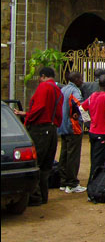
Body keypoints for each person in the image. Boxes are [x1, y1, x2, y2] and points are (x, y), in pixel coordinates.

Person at [13, 67, 62, 206]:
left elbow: (39, 107)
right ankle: (43, 196)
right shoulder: (58, 90)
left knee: (36, 163)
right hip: (52, 129)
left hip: (40, 129)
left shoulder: (44, 87)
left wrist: (27, 118)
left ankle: (35, 197)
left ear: (43, 76)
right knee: (47, 166)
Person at [57, 71, 86, 193]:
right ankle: (72, 183)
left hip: (62, 126)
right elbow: (78, 104)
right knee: (73, 155)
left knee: (64, 154)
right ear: (76, 79)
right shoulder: (75, 90)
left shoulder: (63, 89)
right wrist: (82, 117)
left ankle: (63, 181)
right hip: (73, 127)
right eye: (80, 79)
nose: (82, 81)